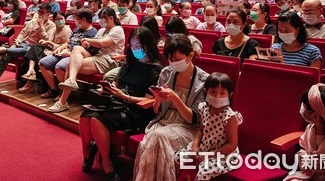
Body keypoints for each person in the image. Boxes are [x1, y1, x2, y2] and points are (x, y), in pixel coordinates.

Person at [79, 27, 163, 179]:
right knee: (85, 116)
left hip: (136, 110)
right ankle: (87, 154)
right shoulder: (129, 64)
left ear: (148, 46)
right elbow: (118, 85)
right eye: (133, 45)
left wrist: (124, 96)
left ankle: (107, 163)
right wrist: (109, 89)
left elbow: (148, 100)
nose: (136, 49)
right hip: (117, 102)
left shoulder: (157, 71)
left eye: (139, 46)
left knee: (97, 119)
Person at [133, 35, 209, 181]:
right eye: (170, 59)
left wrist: (175, 97)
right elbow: (157, 113)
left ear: (190, 56)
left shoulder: (203, 81)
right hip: (164, 122)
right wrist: (158, 100)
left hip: (187, 127)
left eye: (177, 59)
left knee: (157, 138)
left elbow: (193, 120)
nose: (173, 63)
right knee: (153, 140)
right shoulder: (166, 73)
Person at [49, 7, 125, 113]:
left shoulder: (117, 30)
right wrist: (87, 44)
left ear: (111, 18)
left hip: (109, 60)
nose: (100, 21)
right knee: (76, 48)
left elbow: (102, 43)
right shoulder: (102, 30)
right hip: (97, 56)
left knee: (70, 66)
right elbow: (94, 45)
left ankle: (63, 101)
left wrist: (87, 40)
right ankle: (71, 82)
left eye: (103, 19)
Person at [176, 72, 242, 180]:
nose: (217, 96)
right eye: (213, 92)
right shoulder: (204, 108)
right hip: (205, 147)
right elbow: (201, 130)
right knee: (179, 157)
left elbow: (232, 144)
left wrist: (208, 155)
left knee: (203, 171)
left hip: (223, 154)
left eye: (222, 93)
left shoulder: (230, 117)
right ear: (206, 91)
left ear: (229, 95)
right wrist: (195, 146)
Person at [0, 4, 54, 90]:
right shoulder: (32, 22)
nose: (39, 14)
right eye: (39, 12)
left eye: (42, 12)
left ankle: (5, 49)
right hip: (24, 44)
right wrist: (18, 40)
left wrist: (41, 27)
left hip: (36, 49)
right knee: (7, 55)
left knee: (12, 52)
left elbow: (48, 40)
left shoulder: (51, 25)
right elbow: (23, 33)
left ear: (48, 14)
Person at [38, 8, 98, 99]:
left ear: (84, 20)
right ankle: (54, 89)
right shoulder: (77, 29)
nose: (75, 21)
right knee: (43, 63)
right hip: (64, 52)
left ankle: (64, 93)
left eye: (77, 19)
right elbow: (68, 42)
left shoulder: (93, 33)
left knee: (60, 67)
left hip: (75, 57)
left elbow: (88, 53)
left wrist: (71, 54)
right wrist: (60, 48)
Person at [19, 11, 71, 92]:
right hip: (49, 50)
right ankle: (31, 71)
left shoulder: (67, 31)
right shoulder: (53, 29)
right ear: (54, 20)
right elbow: (48, 39)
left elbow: (65, 47)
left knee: (35, 58)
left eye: (61, 19)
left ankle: (32, 82)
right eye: (57, 19)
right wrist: (46, 41)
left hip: (57, 53)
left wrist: (50, 43)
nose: (60, 21)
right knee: (34, 48)